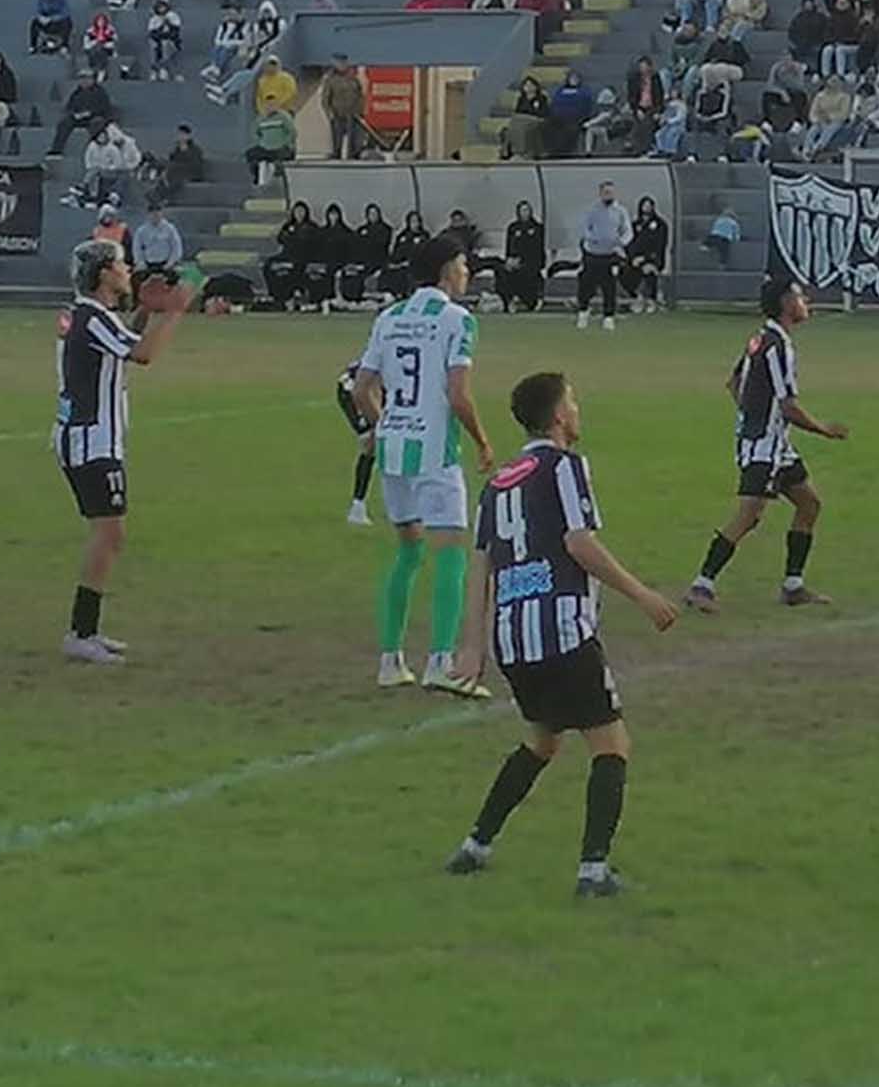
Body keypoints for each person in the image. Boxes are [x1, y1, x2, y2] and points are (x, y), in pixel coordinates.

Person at [442, 370, 679, 898]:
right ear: (557, 417)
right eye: (572, 401)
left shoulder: (499, 480)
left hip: (513, 638)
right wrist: (642, 595)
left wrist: (473, 645)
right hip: (562, 633)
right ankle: (593, 871)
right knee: (611, 745)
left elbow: (480, 564)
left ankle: (475, 846)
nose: (578, 409)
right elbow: (579, 542)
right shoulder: (566, 467)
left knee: (542, 742)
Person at [351, 237, 497, 697]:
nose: (467, 270)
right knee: (453, 549)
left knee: (409, 551)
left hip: (395, 448)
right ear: (445, 271)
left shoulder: (389, 317)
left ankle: (390, 661)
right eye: (462, 263)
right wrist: (484, 442)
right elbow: (458, 395)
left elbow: (361, 389)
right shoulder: (458, 320)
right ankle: (441, 661)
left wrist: (388, 423)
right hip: (435, 450)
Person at [55, 239, 189, 663]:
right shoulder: (92, 317)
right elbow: (143, 353)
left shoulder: (95, 317)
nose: (128, 268)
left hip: (90, 437)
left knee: (110, 534)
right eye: (119, 264)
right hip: (92, 440)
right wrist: (174, 311)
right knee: (109, 534)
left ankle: (85, 630)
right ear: (102, 275)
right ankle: (80, 633)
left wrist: (147, 311)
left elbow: (126, 340)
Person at [688, 278, 851, 613]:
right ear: (784, 303)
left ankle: (793, 586)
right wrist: (824, 430)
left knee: (809, 503)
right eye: (798, 295)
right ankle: (701, 585)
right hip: (764, 444)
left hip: (774, 442)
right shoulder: (778, 346)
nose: (805, 300)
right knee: (750, 515)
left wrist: (752, 414)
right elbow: (788, 406)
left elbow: (734, 383)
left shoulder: (759, 338)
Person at [575, 179, 631, 329]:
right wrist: (593, 239)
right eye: (606, 192)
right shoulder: (592, 210)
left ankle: (608, 316)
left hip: (610, 254)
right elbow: (584, 228)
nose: (609, 195)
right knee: (586, 285)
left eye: (611, 192)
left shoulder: (620, 211)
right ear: (600, 194)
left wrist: (620, 243)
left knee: (609, 287)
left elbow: (627, 231)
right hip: (593, 253)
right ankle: (583, 312)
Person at [624, 195, 670, 312]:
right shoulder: (634, 225)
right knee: (622, 270)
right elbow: (629, 243)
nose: (646, 208)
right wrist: (633, 258)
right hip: (635, 260)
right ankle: (636, 297)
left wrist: (646, 258)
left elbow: (660, 246)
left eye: (649, 206)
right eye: (644, 205)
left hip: (653, 259)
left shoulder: (660, 225)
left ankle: (651, 299)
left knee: (649, 270)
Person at [501, 200, 548, 310]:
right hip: (515, 260)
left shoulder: (537, 228)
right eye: (522, 210)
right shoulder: (513, 227)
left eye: (527, 210)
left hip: (532, 261)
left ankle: (531, 299)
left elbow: (537, 249)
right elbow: (509, 247)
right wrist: (509, 260)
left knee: (526, 271)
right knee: (504, 271)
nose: (525, 213)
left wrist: (521, 260)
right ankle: (510, 300)